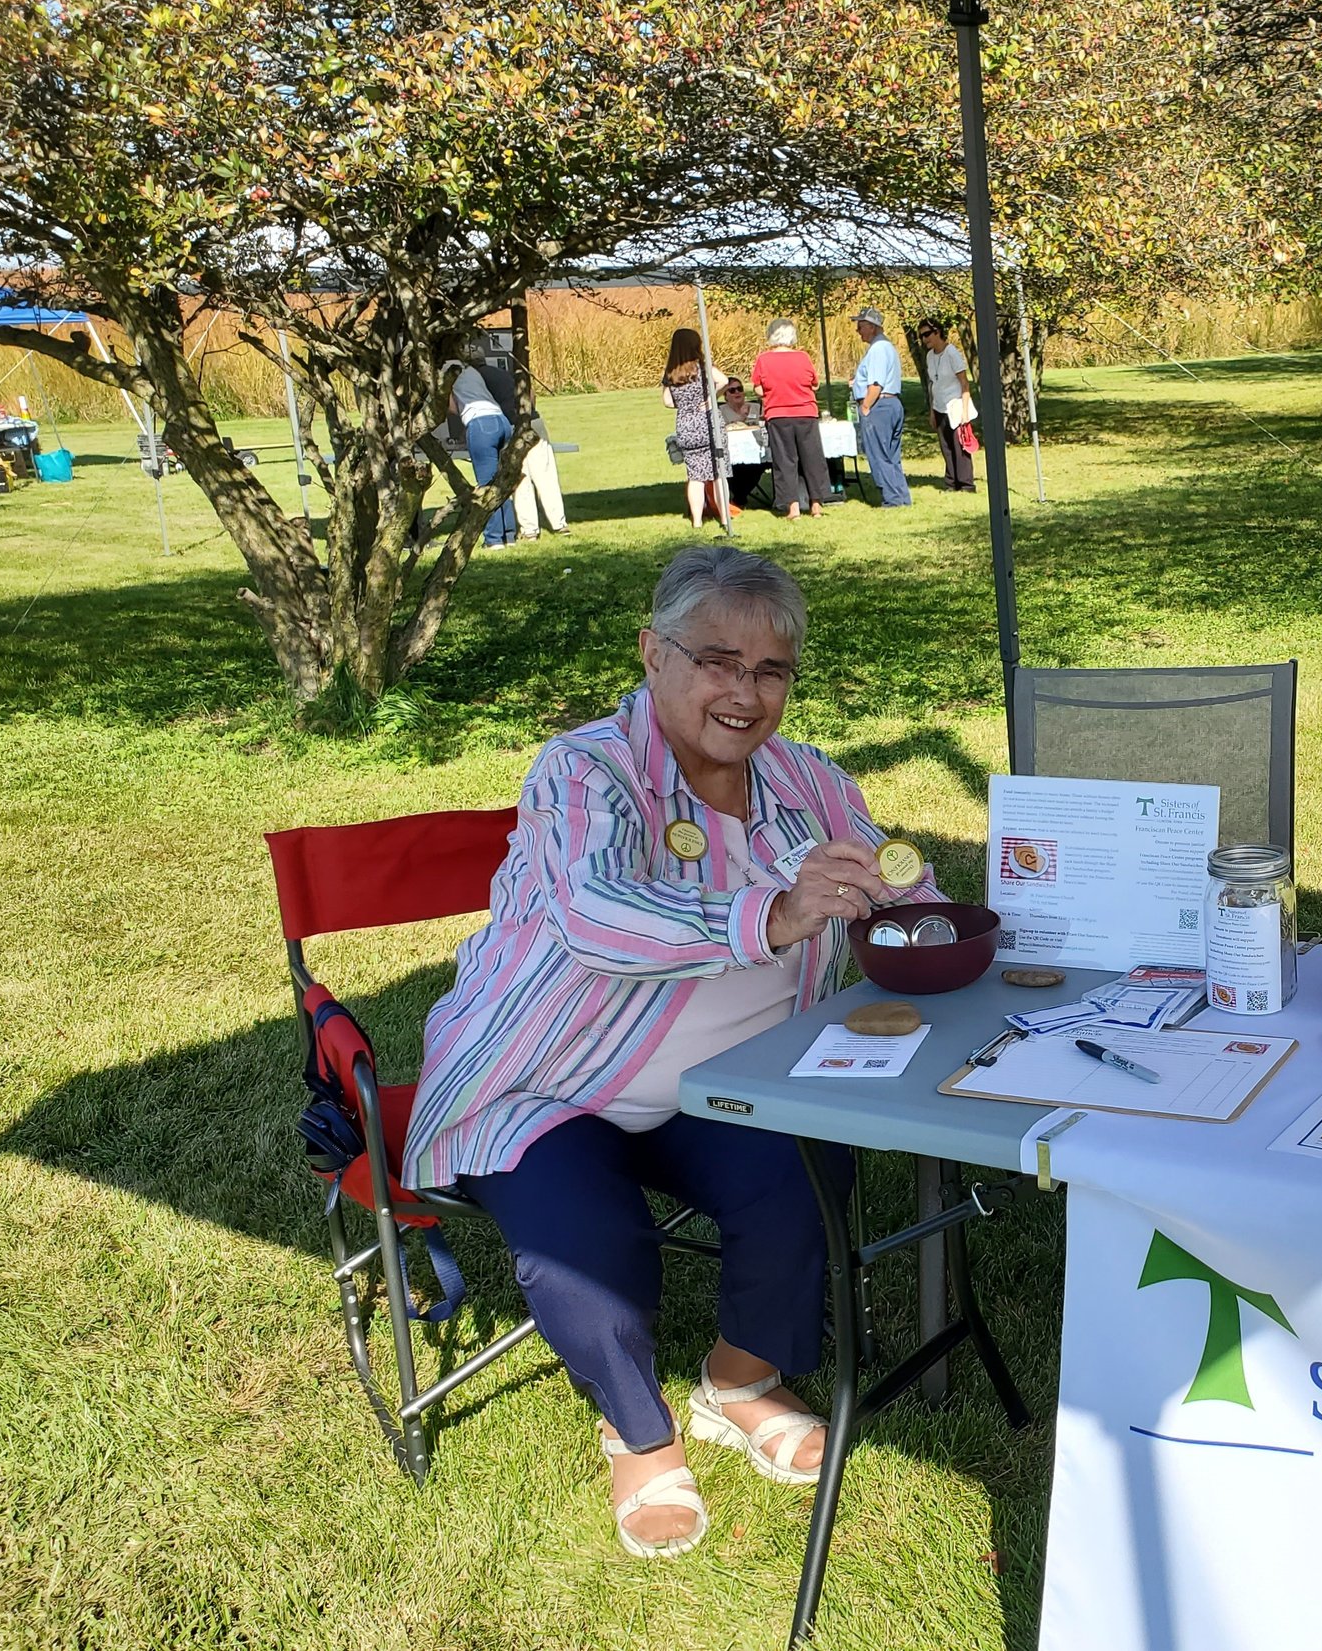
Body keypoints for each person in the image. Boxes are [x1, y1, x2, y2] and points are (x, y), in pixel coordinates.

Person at [405, 545, 948, 1559]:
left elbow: (893, 879)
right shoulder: (585, 769)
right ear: (653, 651)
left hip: (721, 1079)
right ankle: (637, 1431)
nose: (745, 693)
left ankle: (738, 1378)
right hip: (547, 1072)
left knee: (806, 1163)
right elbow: (597, 913)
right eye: (717, 660)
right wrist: (775, 913)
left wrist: (915, 904)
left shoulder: (805, 777)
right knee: (586, 1236)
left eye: (771, 670)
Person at [473, 358, 567, 539]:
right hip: (534, 420)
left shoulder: (475, 379)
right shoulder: (503, 373)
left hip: (512, 426)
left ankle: (530, 529)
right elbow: (530, 394)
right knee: (546, 475)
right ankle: (560, 524)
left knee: (520, 477)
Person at [751, 318, 830, 519]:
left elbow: (759, 389)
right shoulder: (803, 358)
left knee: (785, 460)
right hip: (805, 413)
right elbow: (815, 384)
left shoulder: (763, 360)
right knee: (812, 458)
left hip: (778, 415)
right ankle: (816, 506)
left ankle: (792, 508)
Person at [441, 358, 516, 547]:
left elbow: (451, 407)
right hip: (501, 421)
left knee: (486, 485)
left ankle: (493, 539)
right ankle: (509, 534)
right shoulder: (470, 371)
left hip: (480, 424)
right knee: (501, 482)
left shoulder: (445, 373)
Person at [660, 329, 730, 527]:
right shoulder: (703, 367)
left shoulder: (671, 373)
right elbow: (724, 380)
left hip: (686, 426)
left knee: (695, 476)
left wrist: (684, 404)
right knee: (718, 473)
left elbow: (667, 401)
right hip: (708, 423)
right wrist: (710, 399)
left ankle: (697, 522)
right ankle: (725, 519)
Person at [847, 307, 910, 507]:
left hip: (879, 406)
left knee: (879, 454)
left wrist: (865, 406)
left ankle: (892, 499)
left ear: (873, 327)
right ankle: (901, 496)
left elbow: (876, 384)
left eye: (861, 325)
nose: (858, 330)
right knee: (891, 455)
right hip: (890, 404)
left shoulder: (878, 349)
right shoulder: (886, 347)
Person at [919, 319, 975, 494]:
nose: (924, 339)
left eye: (927, 334)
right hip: (940, 406)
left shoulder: (951, 353)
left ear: (937, 332)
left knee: (960, 448)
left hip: (956, 406)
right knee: (946, 447)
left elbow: (964, 383)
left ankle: (966, 485)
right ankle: (951, 483)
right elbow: (932, 384)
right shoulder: (930, 356)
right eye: (921, 336)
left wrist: (965, 412)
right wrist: (932, 412)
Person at [717, 379, 770, 513]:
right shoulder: (720, 411)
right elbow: (720, 430)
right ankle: (739, 499)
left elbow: (764, 423)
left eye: (739, 389)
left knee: (757, 465)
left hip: (755, 449)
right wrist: (741, 417)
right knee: (730, 468)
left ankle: (739, 499)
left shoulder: (755, 407)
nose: (737, 393)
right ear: (725, 395)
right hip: (731, 451)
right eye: (732, 390)